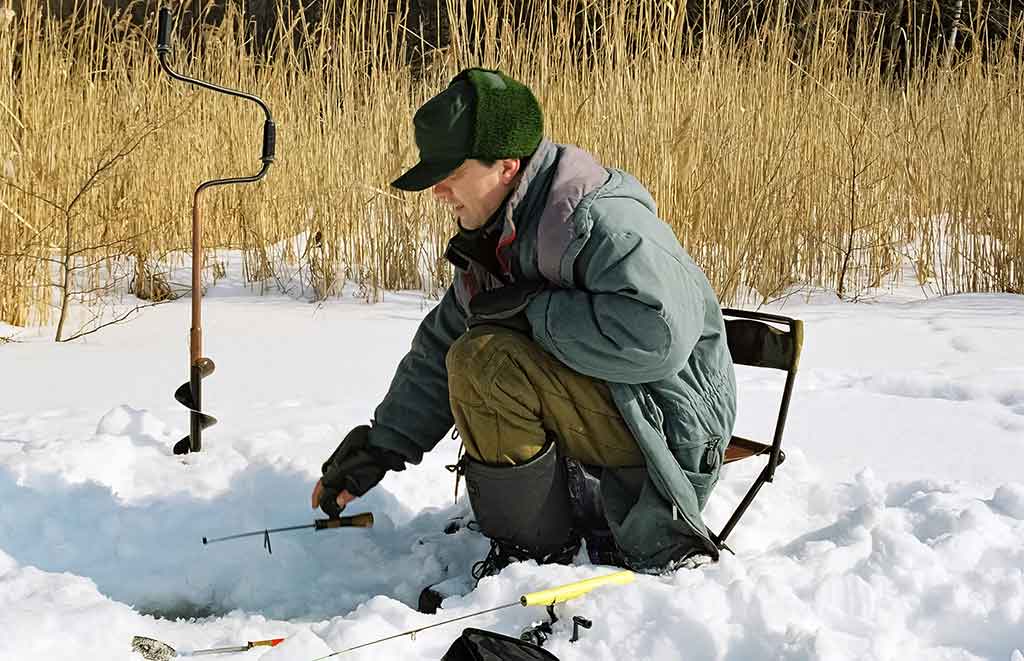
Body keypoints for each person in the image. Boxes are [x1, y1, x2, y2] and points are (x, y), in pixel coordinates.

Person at [311, 67, 736, 581]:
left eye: (450, 173)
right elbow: (439, 346)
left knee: (484, 362)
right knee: (471, 349)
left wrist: (532, 312)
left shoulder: (598, 222)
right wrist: (380, 448)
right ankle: (542, 531)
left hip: (672, 420)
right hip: (621, 403)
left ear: (507, 167)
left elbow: (657, 336)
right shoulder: (502, 234)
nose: (438, 191)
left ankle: (536, 559)